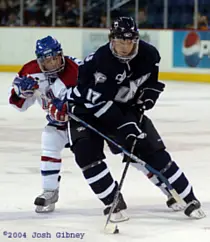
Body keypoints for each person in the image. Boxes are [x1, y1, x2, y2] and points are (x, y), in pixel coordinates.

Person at [49, 17, 205, 219]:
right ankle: (111, 201)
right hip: (87, 110)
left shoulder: (149, 55)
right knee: (87, 155)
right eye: (120, 41)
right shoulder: (101, 62)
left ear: (136, 40)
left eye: (129, 41)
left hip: (123, 108)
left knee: (154, 152)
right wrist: (126, 126)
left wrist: (147, 98)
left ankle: (188, 197)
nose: (124, 46)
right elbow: (99, 103)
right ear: (111, 40)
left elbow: (151, 82)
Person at [8, 35, 82, 213]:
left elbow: (93, 96)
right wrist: (22, 93)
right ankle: (50, 191)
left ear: (61, 54)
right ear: (40, 60)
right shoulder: (29, 70)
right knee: (49, 140)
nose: (53, 64)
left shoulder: (77, 68)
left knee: (93, 157)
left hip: (84, 122)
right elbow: (18, 106)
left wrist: (72, 108)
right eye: (47, 60)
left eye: (55, 58)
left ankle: (109, 193)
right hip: (57, 123)